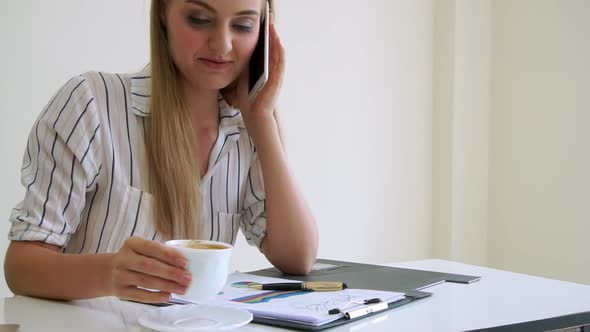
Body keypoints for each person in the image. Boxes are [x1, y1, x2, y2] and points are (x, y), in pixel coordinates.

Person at [4, 0, 318, 304]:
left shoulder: (245, 131)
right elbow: (21, 267)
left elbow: (298, 257)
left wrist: (262, 121)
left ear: (265, 33)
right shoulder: (92, 104)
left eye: (243, 25)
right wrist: (110, 273)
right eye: (199, 18)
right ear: (164, 12)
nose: (222, 44)